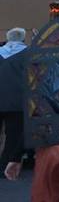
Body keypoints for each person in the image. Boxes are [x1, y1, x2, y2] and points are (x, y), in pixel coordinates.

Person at [0, 27, 28, 171]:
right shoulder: (28, 53)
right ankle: (5, 165)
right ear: (23, 39)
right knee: (13, 135)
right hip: (17, 101)